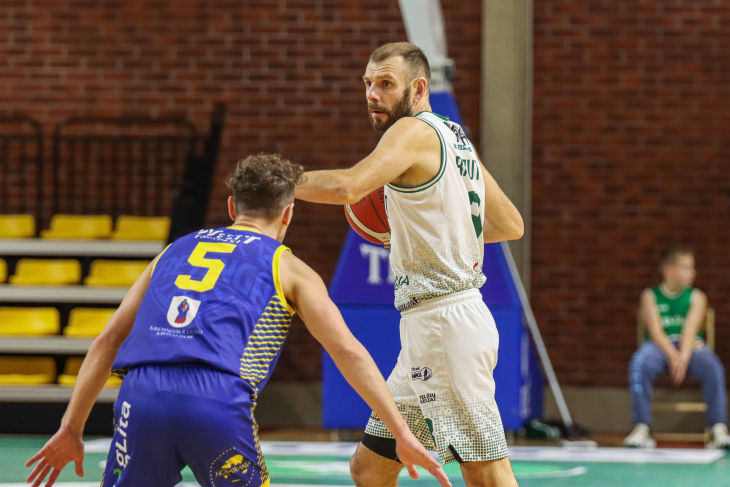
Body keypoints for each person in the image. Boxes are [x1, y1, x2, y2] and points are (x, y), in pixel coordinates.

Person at [24, 154, 451, 487]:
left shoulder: (173, 250)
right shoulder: (291, 268)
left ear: (232, 206)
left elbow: (107, 340)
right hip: (215, 399)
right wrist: (400, 431)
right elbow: (347, 351)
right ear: (288, 213)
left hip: (143, 394)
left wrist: (71, 427)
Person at [295, 42, 524, 486]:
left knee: (487, 476)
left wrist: (278, 182)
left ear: (418, 88)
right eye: (367, 83)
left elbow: (348, 187)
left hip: (445, 327)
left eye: (385, 84)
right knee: (370, 468)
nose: (372, 94)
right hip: (433, 330)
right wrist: (419, 229)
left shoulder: (411, 132)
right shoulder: (454, 137)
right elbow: (508, 224)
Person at [624, 247, 729, 449]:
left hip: (690, 347)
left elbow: (690, 330)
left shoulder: (697, 296)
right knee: (640, 362)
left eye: (692, 268)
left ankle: (718, 427)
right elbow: (655, 330)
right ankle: (642, 426)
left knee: (713, 366)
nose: (692, 273)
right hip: (660, 347)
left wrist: (682, 357)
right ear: (669, 270)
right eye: (686, 268)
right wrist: (673, 356)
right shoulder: (650, 295)